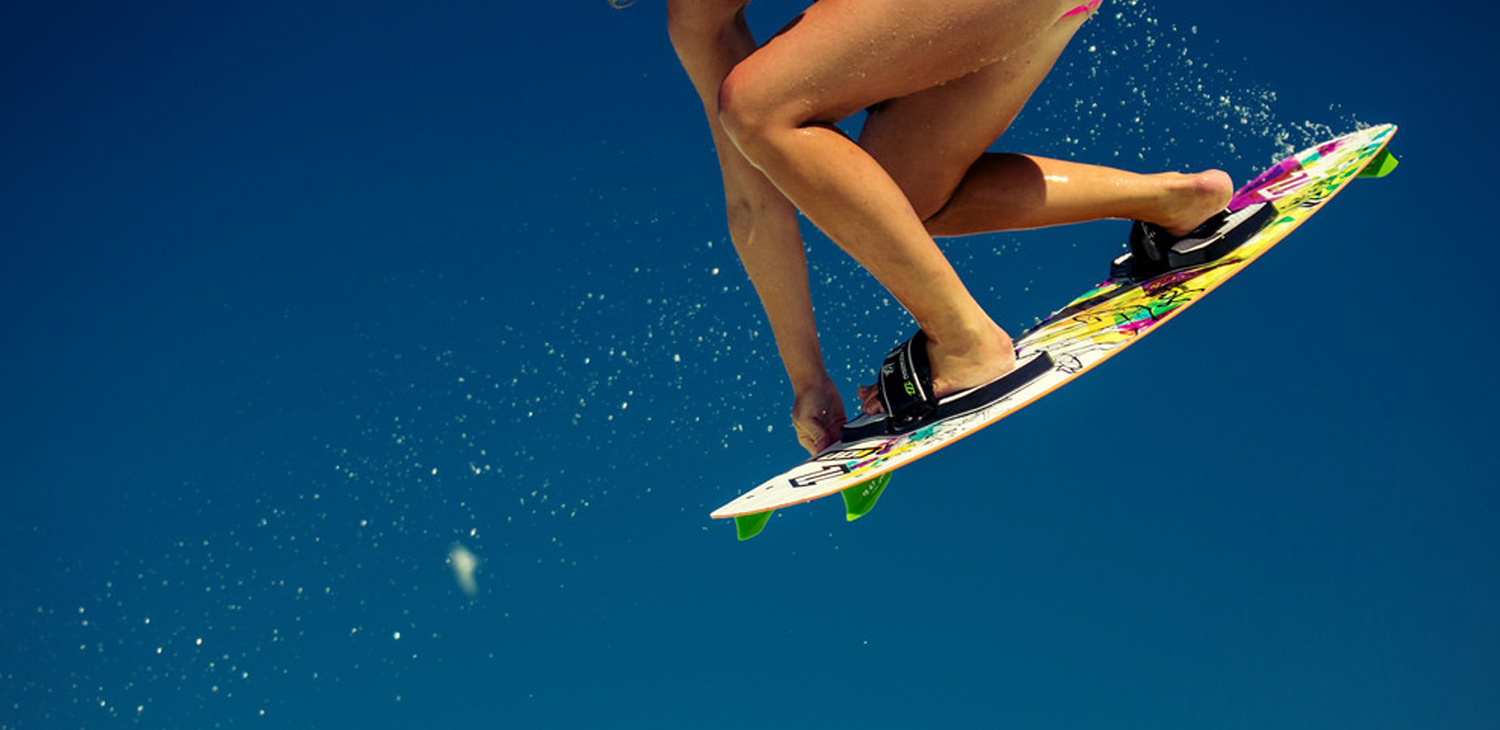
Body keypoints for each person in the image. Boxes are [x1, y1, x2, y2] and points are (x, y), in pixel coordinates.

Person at [664, 0, 1233, 455]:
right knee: (895, 196)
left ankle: (965, 341)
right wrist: (807, 378)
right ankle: (1175, 203)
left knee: (758, 100)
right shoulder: (698, 16)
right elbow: (756, 202)